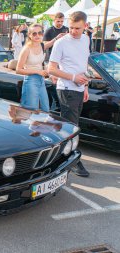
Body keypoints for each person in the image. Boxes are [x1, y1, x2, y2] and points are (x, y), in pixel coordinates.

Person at [48, 11, 90, 177]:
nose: (73, 31)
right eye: (71, 27)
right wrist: (73, 77)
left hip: (80, 89)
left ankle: (60, 157)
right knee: (71, 128)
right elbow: (51, 69)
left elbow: (83, 64)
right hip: (66, 88)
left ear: (85, 26)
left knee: (72, 124)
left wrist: (85, 85)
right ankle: (73, 161)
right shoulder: (61, 43)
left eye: (77, 28)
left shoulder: (86, 39)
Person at [16, 24, 60, 112]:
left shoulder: (42, 45)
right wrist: (37, 71)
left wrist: (50, 74)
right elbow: (18, 69)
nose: (37, 36)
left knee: (45, 109)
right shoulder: (26, 49)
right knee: (31, 111)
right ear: (29, 35)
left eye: (40, 33)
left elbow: (50, 44)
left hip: (41, 80)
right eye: (34, 33)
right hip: (30, 81)